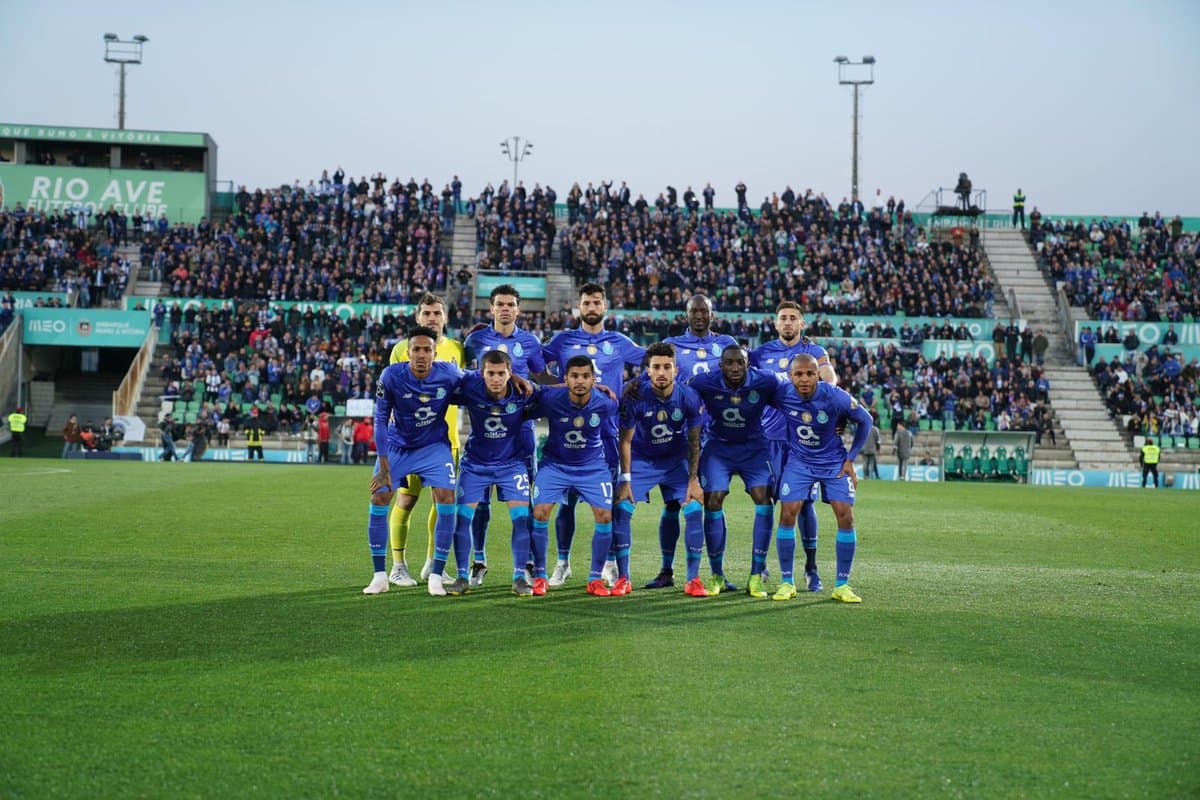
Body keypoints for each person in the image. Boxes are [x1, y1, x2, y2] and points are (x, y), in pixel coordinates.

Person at [541, 284, 645, 587]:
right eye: (586, 303)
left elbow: (650, 362)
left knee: (609, 502)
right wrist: (560, 387)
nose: (591, 307)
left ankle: (609, 563)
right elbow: (535, 365)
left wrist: (629, 388)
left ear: (605, 307)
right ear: (579, 307)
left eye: (597, 302)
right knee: (566, 502)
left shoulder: (619, 342)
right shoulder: (563, 340)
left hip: (608, 434)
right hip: (567, 431)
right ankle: (562, 564)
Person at [365, 326, 467, 597]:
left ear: (434, 353)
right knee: (379, 497)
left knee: (446, 498)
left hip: (434, 447)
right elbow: (380, 420)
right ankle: (380, 576)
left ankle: (436, 575)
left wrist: (516, 378)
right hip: (398, 447)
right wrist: (383, 465)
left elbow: (479, 380)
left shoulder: (449, 372)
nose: (422, 355)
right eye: (416, 350)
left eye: (427, 350)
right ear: (407, 352)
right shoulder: (391, 376)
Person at [647, 294, 738, 589]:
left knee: (714, 502)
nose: (699, 315)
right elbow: (652, 379)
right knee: (675, 503)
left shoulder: (726, 343)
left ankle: (717, 573)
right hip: (680, 436)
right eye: (694, 311)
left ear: (712, 314)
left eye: (704, 311)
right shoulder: (672, 345)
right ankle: (666, 570)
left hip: (717, 436)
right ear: (686, 315)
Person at [461, 284, 549, 586]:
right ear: (492, 308)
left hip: (521, 430)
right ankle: (479, 560)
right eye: (500, 304)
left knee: (524, 500)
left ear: (518, 309)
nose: (505, 309)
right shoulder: (475, 340)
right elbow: (463, 375)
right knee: (480, 501)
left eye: (511, 304)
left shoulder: (530, 342)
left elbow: (542, 378)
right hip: (485, 428)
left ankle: (526, 562)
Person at [749, 301, 839, 593]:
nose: (787, 322)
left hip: (802, 441)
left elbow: (829, 376)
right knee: (764, 502)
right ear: (776, 324)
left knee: (805, 504)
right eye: (783, 318)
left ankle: (811, 569)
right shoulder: (761, 353)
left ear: (802, 323)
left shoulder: (814, 351)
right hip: (767, 440)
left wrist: (829, 398)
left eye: (792, 318)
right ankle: (759, 566)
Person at [771, 353, 874, 603]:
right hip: (799, 462)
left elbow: (866, 420)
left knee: (845, 515)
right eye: (798, 374)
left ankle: (842, 585)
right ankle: (787, 582)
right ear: (790, 376)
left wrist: (850, 458)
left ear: (818, 374)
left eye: (810, 374)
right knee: (787, 513)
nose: (804, 379)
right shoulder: (781, 393)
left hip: (833, 462)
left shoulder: (834, 395)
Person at [689, 345, 785, 597]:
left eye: (739, 362)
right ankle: (717, 575)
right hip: (718, 448)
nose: (734, 368)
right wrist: (637, 385)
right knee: (713, 500)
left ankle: (756, 576)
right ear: (720, 365)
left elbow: (793, 394)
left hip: (754, 448)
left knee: (764, 500)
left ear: (747, 364)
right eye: (729, 363)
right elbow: (677, 391)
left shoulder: (765, 380)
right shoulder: (704, 381)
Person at [386, 294, 466, 588]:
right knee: (406, 499)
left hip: (447, 441)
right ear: (418, 317)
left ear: (445, 317)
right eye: (427, 313)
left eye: (437, 313)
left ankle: (433, 564)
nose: (432, 318)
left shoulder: (457, 349)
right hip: (411, 442)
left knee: (442, 502)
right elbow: (392, 390)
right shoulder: (400, 349)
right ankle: (398, 566)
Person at [614, 343, 706, 597]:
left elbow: (694, 441)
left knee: (694, 508)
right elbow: (625, 440)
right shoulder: (634, 395)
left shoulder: (689, 397)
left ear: (676, 370)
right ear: (648, 370)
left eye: (667, 367)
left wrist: (693, 480)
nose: (662, 372)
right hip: (642, 460)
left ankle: (693, 579)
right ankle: (623, 578)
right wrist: (626, 479)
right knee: (622, 508)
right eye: (656, 367)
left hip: (676, 460)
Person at [450, 350, 543, 596]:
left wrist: (595, 386)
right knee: (462, 519)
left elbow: (555, 394)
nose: (496, 379)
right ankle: (462, 576)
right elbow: (445, 385)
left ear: (510, 373)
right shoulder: (471, 388)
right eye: (490, 373)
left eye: (501, 373)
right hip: (475, 466)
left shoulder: (523, 392)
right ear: (482, 373)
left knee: (521, 519)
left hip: (511, 466)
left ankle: (519, 577)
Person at [526, 355, 620, 596]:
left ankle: (595, 578)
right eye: (574, 376)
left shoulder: (606, 403)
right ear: (565, 379)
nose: (580, 381)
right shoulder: (551, 399)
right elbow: (530, 399)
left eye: (586, 376)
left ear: (594, 379)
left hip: (592, 466)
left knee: (605, 516)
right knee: (540, 512)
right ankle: (540, 576)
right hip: (555, 464)